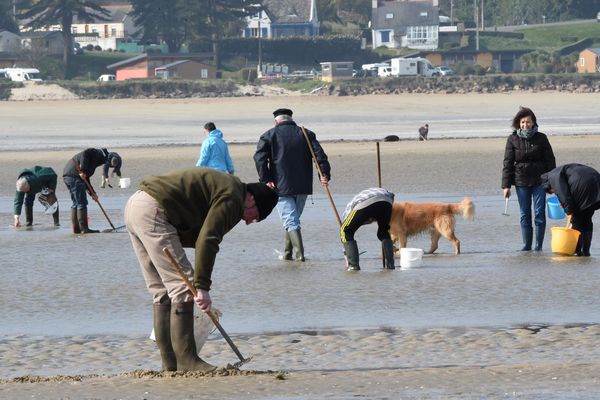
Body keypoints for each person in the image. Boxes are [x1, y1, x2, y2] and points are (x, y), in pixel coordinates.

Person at [124, 167, 278, 372]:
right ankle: (188, 361)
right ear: (251, 200)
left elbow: (199, 238)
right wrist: (202, 287)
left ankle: (170, 364)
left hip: (135, 206)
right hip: (154, 209)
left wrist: (200, 283)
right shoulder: (233, 197)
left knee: (161, 291)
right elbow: (208, 239)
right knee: (183, 287)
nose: (249, 221)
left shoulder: (227, 188)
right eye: (256, 216)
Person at [254, 107, 331, 261]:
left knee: (291, 220)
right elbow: (320, 156)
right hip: (303, 185)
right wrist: (324, 174)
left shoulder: (269, 135)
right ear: (290, 119)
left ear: (276, 121)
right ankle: (288, 254)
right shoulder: (305, 133)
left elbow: (259, 159)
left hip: (280, 186)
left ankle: (300, 256)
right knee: (292, 220)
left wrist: (266, 179)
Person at [501, 107, 556, 251]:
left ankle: (538, 246)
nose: (525, 125)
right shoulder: (512, 138)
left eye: (528, 122)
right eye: (523, 122)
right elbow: (507, 163)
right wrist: (506, 186)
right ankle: (526, 246)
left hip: (540, 180)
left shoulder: (541, 138)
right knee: (525, 214)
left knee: (539, 213)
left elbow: (550, 161)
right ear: (519, 123)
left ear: (533, 123)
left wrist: (552, 182)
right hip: (521, 181)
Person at [541, 164, 600, 257]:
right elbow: (565, 192)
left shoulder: (553, 177)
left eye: (551, 191)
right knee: (586, 219)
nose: (553, 192)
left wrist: (569, 211)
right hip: (596, 180)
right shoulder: (559, 171)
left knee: (576, 221)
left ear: (547, 185)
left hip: (583, 185)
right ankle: (586, 251)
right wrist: (566, 205)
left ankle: (577, 251)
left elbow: (563, 195)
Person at [340, 188, 396, 271]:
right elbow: (392, 195)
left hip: (365, 202)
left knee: (345, 231)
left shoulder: (347, 213)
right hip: (387, 201)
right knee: (383, 232)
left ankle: (353, 266)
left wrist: (347, 255)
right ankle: (390, 266)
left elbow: (345, 235)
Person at [63, 148, 109, 234]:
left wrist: (93, 193)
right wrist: (83, 171)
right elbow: (86, 153)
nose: (102, 164)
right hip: (74, 176)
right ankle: (84, 229)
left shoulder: (92, 161)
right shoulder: (96, 153)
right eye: (103, 162)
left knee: (76, 203)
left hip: (68, 176)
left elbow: (86, 179)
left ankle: (76, 229)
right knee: (81, 203)